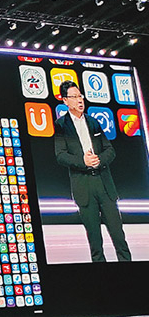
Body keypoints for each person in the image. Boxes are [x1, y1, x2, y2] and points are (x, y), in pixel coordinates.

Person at [54, 80, 131, 262]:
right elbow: (60, 155)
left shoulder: (93, 121)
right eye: (74, 97)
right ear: (65, 101)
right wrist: (83, 161)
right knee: (95, 242)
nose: (80, 100)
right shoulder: (61, 125)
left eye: (80, 96)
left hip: (104, 183)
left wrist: (98, 160)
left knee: (119, 236)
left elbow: (110, 150)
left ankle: (129, 270)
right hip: (84, 186)